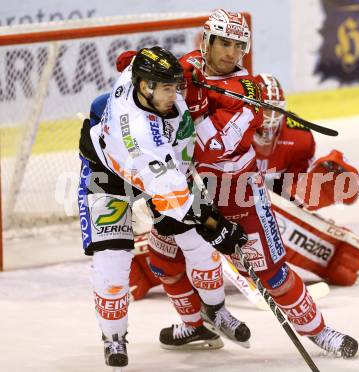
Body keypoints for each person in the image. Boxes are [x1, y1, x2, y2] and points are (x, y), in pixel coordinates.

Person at [179, 9, 358, 358]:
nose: (231, 53)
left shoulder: (250, 91)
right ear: (208, 41)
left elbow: (212, 146)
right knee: (168, 255)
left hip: (240, 195)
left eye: (238, 45)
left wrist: (198, 107)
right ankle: (195, 321)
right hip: (190, 191)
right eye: (225, 43)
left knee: (273, 275)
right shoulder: (186, 68)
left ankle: (320, 332)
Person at [78, 46, 248, 368]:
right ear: (146, 87)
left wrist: (193, 69)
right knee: (112, 260)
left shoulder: (136, 76)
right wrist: (218, 227)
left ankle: (216, 310)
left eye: (177, 86)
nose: (175, 93)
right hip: (110, 175)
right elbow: (179, 202)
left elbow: (134, 62)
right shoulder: (141, 137)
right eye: (169, 88)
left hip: (166, 171)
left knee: (199, 247)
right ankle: (113, 336)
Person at [253, 73, 359, 286]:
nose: (270, 116)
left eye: (275, 109)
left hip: (270, 195)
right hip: (230, 190)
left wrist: (297, 201)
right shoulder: (231, 125)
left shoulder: (299, 137)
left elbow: (292, 192)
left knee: (291, 207)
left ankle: (334, 254)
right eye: (264, 108)